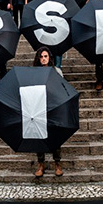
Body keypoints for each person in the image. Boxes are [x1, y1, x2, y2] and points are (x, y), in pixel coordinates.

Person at [32, 46, 63, 177]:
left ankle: (57, 163)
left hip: (53, 107)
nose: (43, 59)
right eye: (41, 57)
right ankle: (41, 163)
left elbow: (62, 89)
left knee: (55, 136)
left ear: (49, 57)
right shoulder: (33, 72)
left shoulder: (56, 71)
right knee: (39, 136)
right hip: (38, 107)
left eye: (45, 56)